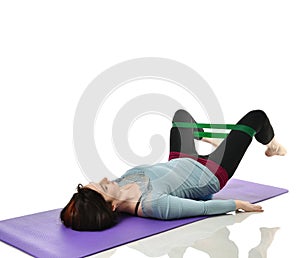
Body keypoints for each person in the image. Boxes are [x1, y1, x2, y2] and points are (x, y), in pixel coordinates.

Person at [60, 109, 286, 231]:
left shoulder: (117, 188)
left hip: (180, 161)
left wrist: (80, 207)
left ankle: (214, 142)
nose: (105, 179)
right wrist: (238, 204)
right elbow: (204, 208)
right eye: (102, 186)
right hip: (211, 172)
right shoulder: (153, 204)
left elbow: (85, 206)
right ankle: (273, 145)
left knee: (180, 118)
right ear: (112, 206)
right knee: (257, 118)